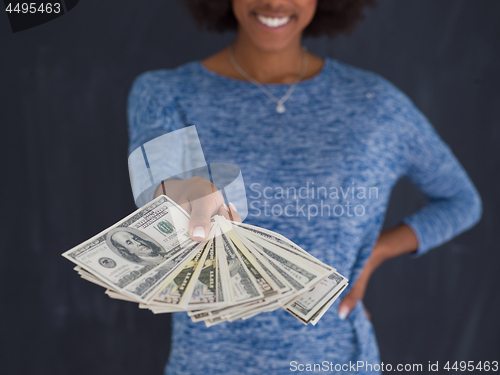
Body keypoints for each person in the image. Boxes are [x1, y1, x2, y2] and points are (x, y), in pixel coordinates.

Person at [126, 0, 482, 374]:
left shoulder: (377, 105)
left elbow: (461, 201)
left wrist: (373, 255)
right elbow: (155, 185)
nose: (275, 2)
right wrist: (182, 191)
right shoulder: (163, 94)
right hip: (208, 364)